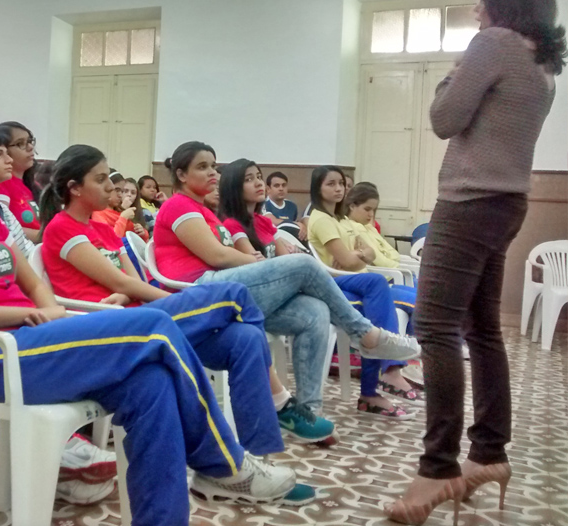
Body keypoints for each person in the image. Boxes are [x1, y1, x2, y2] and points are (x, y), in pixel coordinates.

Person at [0, 108, 302, 526]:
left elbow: (32, 282)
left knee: (151, 383)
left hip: (31, 341)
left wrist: (46, 309)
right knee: (155, 326)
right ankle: (224, 464)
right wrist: (27, 315)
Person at [386, 0, 565, 526]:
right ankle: (489, 452)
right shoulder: (542, 61)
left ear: (504, 0)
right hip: (508, 203)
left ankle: (437, 466)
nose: (476, 7)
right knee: (482, 329)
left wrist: (454, 70)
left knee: (434, 326)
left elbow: (444, 118)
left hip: (468, 204)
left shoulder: (493, 44)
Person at [39, 145, 334, 449]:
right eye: (100, 180)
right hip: (114, 326)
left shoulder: (102, 229)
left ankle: (259, 450)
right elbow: (119, 281)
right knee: (233, 294)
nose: (110, 187)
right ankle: (282, 400)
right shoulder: (61, 228)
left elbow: (130, 282)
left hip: (142, 314)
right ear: (74, 188)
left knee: (246, 337)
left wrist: (128, 296)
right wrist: (167, 300)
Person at [153, 142, 419, 417]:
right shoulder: (178, 205)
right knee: (303, 265)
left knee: (315, 310)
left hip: (225, 288)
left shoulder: (206, 211)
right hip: (199, 293)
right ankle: (365, 334)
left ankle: (309, 410)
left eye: (213, 166)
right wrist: (264, 264)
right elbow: (217, 255)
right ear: (181, 175)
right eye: (202, 167)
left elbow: (229, 255)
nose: (212, 172)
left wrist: (268, 264)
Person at [307, 166, 423, 416]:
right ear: (318, 188)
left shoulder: (340, 220)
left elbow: (365, 256)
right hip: (334, 284)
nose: (338, 188)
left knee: (398, 302)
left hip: (355, 280)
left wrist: (359, 255)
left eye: (341, 183)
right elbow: (348, 262)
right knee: (377, 283)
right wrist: (359, 255)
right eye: (331, 184)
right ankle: (387, 373)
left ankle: (378, 386)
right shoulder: (321, 220)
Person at [220, 161, 306, 260]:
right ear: (233, 187)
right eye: (248, 179)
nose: (259, 183)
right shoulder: (232, 223)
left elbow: (286, 259)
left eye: (259, 177)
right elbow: (256, 264)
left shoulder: (264, 221)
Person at [0, 130, 34, 259]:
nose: (9, 160)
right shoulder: (3, 187)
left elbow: (23, 252)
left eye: (30, 142)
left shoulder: (1, 209)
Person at [0, 121, 40, 243]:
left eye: (30, 141)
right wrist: (51, 236)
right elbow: (3, 226)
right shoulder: (0, 184)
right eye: (20, 144)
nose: (30, 147)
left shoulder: (33, 185)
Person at [91, 171, 149, 241]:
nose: (120, 195)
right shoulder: (98, 214)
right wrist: (123, 217)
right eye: (117, 190)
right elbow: (111, 240)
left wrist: (142, 232)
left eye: (122, 191)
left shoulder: (118, 212)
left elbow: (136, 236)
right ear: (106, 189)